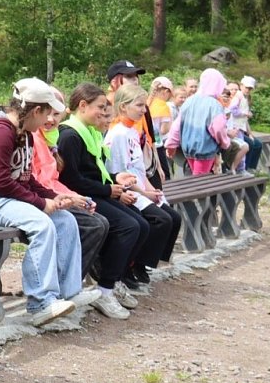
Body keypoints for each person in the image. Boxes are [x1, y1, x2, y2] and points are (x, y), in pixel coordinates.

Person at [0, 79, 83, 325]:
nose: (49, 121)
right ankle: (40, 303)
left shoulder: (25, 134)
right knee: (42, 224)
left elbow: (25, 179)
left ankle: (65, 295)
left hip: (6, 199)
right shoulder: (0, 133)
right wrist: (40, 204)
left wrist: (52, 196)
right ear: (36, 111)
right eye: (48, 113)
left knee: (65, 221)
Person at [56, 83, 145, 320]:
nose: (104, 113)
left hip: (96, 192)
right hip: (80, 196)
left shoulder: (91, 132)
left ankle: (113, 279)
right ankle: (105, 288)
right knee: (127, 226)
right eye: (100, 107)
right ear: (82, 106)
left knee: (141, 223)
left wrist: (116, 178)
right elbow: (72, 180)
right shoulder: (70, 135)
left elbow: (94, 172)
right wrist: (109, 190)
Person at [106, 84, 182, 285]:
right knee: (161, 220)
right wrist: (144, 193)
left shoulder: (132, 131)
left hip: (140, 187)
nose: (144, 109)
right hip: (129, 190)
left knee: (174, 218)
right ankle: (131, 264)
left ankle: (145, 262)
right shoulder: (118, 133)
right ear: (123, 107)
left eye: (144, 105)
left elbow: (139, 169)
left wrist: (151, 189)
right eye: (139, 105)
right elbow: (121, 173)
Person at [34, 103, 110, 282]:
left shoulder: (51, 138)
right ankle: (67, 285)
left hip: (53, 196)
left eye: (56, 114)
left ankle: (76, 283)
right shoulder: (41, 138)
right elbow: (37, 182)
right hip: (40, 200)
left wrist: (76, 197)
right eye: (48, 113)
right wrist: (71, 197)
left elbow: (53, 180)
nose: (51, 119)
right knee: (95, 225)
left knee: (102, 222)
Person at [164, 68, 235, 175]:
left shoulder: (189, 101)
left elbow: (177, 125)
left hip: (188, 148)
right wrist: (225, 143)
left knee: (194, 175)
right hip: (205, 148)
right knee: (200, 180)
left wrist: (171, 145)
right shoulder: (214, 105)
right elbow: (219, 128)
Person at [106, 60, 165, 186]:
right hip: (120, 169)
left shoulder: (143, 107)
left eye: (136, 76)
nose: (135, 80)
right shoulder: (105, 106)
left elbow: (151, 138)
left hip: (145, 163)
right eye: (129, 76)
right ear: (115, 81)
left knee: (157, 197)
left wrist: (158, 167)